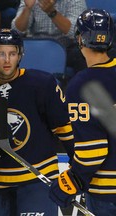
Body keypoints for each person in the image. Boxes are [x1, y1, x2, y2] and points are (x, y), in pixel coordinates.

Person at [0, 28, 75, 216]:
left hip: (37, 180)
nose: (7, 60)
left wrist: (77, 172)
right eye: (1, 54)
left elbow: (65, 129)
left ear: (20, 55)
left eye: (12, 53)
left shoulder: (42, 84)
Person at [49, 9, 116, 216]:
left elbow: (92, 153)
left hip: (107, 191)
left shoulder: (82, 84)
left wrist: (71, 181)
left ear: (80, 38)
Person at [11, 0, 87, 75]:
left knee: (84, 54)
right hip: (36, 48)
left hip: (66, 48)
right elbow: (16, 31)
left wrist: (52, 12)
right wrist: (27, 9)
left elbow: (75, 32)